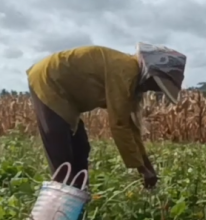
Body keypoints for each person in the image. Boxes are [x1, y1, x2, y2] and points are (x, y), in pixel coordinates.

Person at [26, 43, 187, 189]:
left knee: (81, 147)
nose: (151, 90)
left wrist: (146, 164)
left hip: (64, 95)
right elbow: (119, 124)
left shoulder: (128, 73)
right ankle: (60, 207)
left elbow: (131, 126)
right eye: (155, 85)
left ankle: (80, 194)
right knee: (62, 155)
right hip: (47, 81)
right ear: (149, 75)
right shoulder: (126, 72)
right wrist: (141, 169)